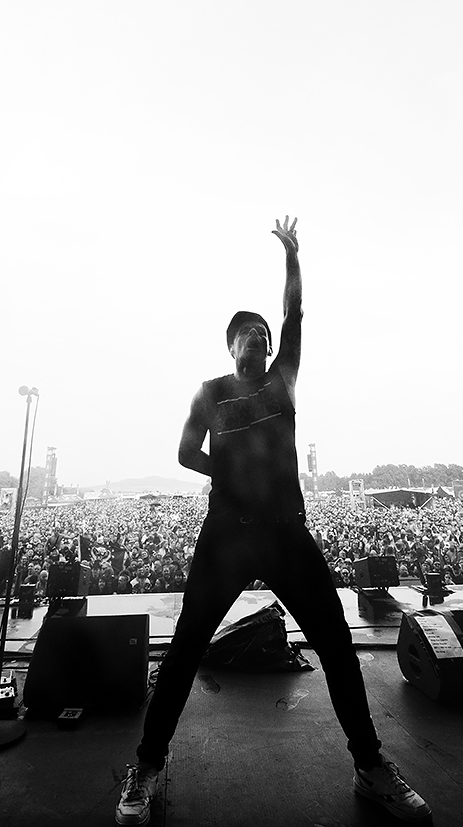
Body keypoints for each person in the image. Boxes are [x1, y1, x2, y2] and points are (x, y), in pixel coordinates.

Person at [115, 217, 431, 826]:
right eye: (248, 333)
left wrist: (292, 257)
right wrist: (222, 473)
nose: (261, 337)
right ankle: (147, 767)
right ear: (231, 345)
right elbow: (183, 453)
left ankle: (371, 767)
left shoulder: (285, 377)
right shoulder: (208, 393)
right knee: (184, 650)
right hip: (227, 537)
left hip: (286, 532)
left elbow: (296, 315)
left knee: (336, 644)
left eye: (265, 331)